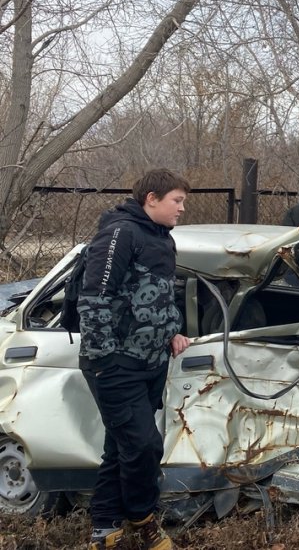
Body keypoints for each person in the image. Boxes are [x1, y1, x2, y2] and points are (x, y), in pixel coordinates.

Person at [78, 169, 192, 550]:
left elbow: (159, 296)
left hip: (151, 362)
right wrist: (104, 358)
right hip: (116, 363)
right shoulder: (120, 233)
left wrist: (172, 330)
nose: (182, 208)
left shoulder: (163, 239)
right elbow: (94, 297)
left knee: (122, 444)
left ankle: (104, 527)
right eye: (176, 200)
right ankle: (143, 519)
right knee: (145, 445)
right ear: (152, 199)